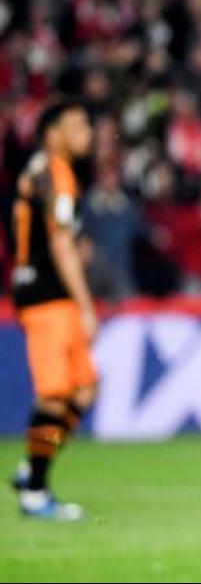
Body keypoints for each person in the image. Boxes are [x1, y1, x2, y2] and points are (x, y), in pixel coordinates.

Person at [9, 98, 98, 521]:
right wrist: (86, 306)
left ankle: (33, 467)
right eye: (77, 125)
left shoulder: (44, 172)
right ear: (52, 133)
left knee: (84, 390)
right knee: (55, 393)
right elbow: (60, 244)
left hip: (49, 292)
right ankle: (35, 492)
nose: (89, 133)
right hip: (47, 294)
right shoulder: (55, 174)